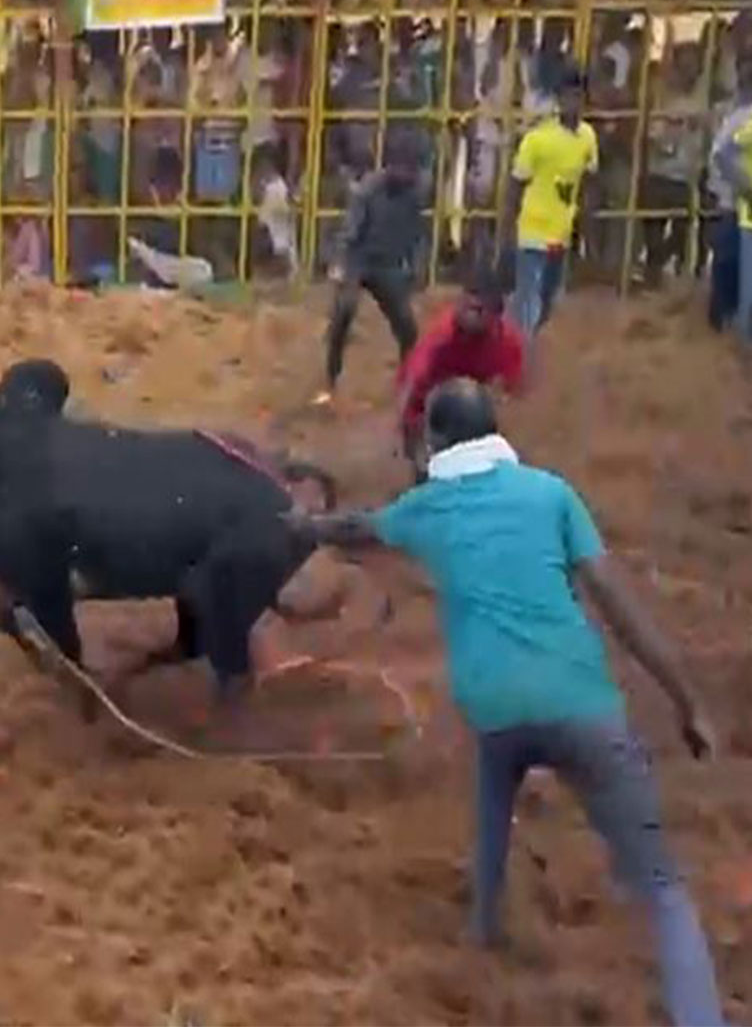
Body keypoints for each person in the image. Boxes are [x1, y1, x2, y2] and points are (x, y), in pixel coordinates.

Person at [286, 380, 724, 1027]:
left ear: (434, 442)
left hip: (491, 706)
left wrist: (298, 525)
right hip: (581, 702)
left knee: (498, 773)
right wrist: (688, 702)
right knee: (662, 889)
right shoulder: (551, 493)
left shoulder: (427, 506)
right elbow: (617, 602)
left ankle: (484, 926)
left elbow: (355, 529)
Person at [318, 138, 424, 405]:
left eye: (412, 169)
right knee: (344, 312)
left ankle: (406, 382)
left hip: (386, 264)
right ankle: (330, 378)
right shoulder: (367, 191)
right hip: (359, 259)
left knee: (407, 326)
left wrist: (413, 265)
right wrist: (341, 267)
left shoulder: (415, 194)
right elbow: (350, 233)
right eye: (404, 168)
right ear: (390, 166)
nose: (408, 174)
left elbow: (416, 233)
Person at [501, 66, 598, 343]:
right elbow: (515, 186)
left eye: (578, 96)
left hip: (561, 234)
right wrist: (508, 229)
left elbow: (588, 184)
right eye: (569, 96)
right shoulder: (537, 139)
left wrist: (585, 230)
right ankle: (520, 358)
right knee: (530, 303)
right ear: (559, 99)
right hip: (533, 229)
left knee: (544, 302)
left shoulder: (588, 138)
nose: (573, 102)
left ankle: (511, 341)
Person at [395, 273, 525, 473]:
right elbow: (412, 383)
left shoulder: (507, 343)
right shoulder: (442, 336)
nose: (467, 314)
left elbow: (505, 394)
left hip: (471, 394)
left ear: (495, 316)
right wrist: (404, 428)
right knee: (425, 464)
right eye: (464, 306)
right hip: (430, 394)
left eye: (478, 310)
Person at [711, 57, 752, 342]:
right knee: (729, 265)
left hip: (739, 206)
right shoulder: (741, 117)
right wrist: (746, 185)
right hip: (734, 205)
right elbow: (721, 154)